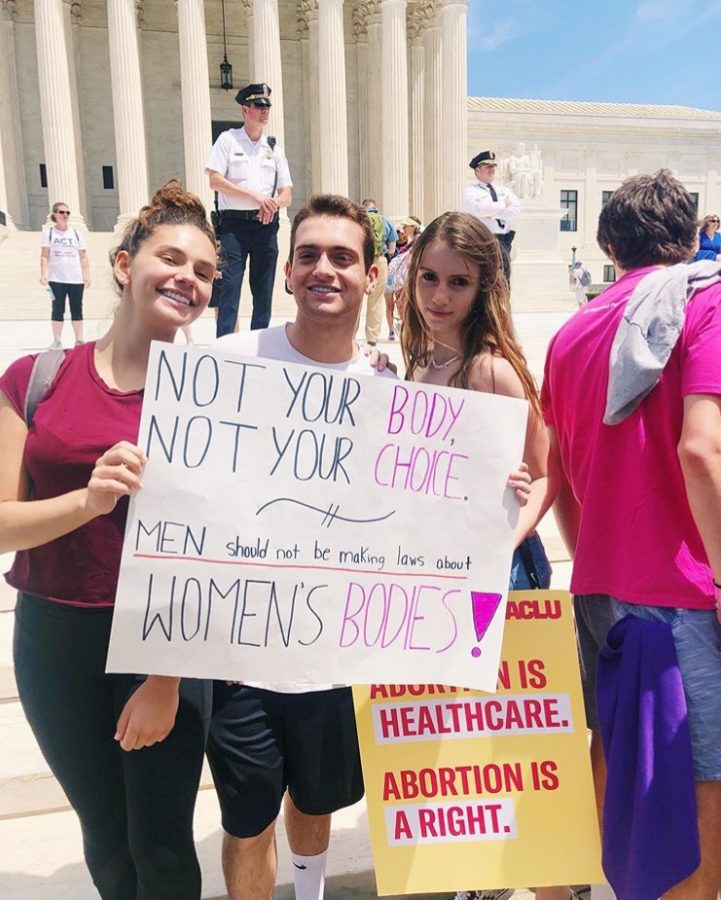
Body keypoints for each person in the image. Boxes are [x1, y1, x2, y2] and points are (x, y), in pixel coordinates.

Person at [1, 181, 216, 899]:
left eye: (205, 271)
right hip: (55, 638)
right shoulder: (34, 380)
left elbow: (219, 552)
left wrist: (165, 679)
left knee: (160, 845)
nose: (188, 277)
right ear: (123, 265)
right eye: (172, 258)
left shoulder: (214, 398)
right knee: (105, 840)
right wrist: (88, 501)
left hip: (161, 639)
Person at [207, 194, 395, 900]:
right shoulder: (228, 360)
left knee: (316, 803)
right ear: (285, 270)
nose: (325, 270)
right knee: (247, 818)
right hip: (238, 648)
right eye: (309, 255)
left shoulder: (384, 384)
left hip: (332, 644)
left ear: (372, 275)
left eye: (343, 257)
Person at [542, 169, 721, 899]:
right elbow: (700, 450)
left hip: (599, 587)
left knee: (622, 765)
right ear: (689, 235)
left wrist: (598, 554)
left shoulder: (569, 333)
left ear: (606, 244)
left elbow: (559, 475)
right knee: (700, 787)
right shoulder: (703, 304)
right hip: (679, 594)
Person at [402, 211, 588, 900]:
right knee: (462, 738)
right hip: (435, 574)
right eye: (428, 277)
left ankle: (550, 886)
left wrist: (500, 541)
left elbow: (546, 471)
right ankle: (486, 872)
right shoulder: (419, 358)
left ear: (483, 287)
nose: (438, 295)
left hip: (497, 578)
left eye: (457, 281)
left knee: (512, 740)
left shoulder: (490, 369)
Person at [206, 82, 293, 336]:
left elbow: (287, 193)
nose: (264, 110)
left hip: (266, 224)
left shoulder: (274, 148)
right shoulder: (228, 140)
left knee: (263, 290)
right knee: (230, 288)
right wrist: (256, 196)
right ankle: (224, 344)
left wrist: (272, 203)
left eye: (266, 106)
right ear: (245, 110)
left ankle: (259, 343)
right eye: (258, 105)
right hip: (234, 225)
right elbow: (214, 180)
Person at [461, 151, 520, 284]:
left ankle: (503, 305)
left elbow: (515, 210)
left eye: (493, 167)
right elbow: (475, 210)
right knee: (485, 282)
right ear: (477, 170)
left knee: (503, 282)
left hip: (504, 241)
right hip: (482, 241)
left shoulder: (504, 190)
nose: (492, 170)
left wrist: (490, 212)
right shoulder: (470, 191)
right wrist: (502, 205)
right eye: (487, 167)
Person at [40, 201, 91, 349]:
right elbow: (44, 255)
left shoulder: (76, 233)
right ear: (54, 214)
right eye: (62, 212)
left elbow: (83, 256)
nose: (65, 215)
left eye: (67, 213)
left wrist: (87, 274)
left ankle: (79, 340)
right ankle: (57, 340)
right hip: (56, 279)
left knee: (77, 309)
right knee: (57, 309)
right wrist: (44, 273)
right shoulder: (48, 233)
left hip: (75, 278)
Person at [359, 198, 397, 345]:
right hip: (380, 260)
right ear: (375, 208)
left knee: (356, 299)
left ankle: (350, 335)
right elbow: (392, 248)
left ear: (363, 207)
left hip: (361, 260)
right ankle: (372, 338)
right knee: (376, 300)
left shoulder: (358, 219)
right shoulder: (386, 221)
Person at [385, 215, 422, 340]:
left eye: (406, 226)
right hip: (401, 278)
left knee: (402, 306)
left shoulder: (418, 239)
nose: (403, 228)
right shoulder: (414, 240)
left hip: (404, 278)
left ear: (413, 227)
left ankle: (404, 333)